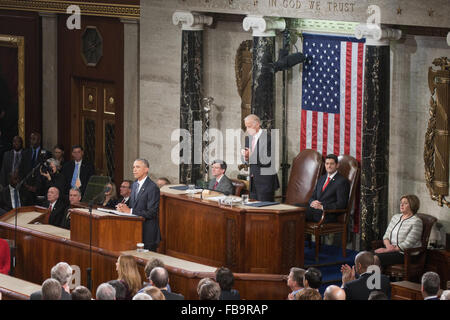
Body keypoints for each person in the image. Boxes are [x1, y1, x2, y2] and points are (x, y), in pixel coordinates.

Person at [116, 158, 161, 251]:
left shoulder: (152, 187)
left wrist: (130, 211)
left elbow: (152, 212)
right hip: (135, 230)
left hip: (148, 233)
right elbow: (133, 206)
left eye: (137, 167)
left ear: (146, 169)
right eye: (133, 167)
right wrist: (123, 208)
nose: (134, 170)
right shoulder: (135, 184)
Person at [374, 195, 423, 268]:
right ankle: (363, 278)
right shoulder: (395, 217)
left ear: (412, 205)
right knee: (365, 256)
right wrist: (388, 247)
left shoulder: (416, 221)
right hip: (391, 250)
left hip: (405, 254)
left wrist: (387, 250)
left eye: (405, 203)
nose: (401, 205)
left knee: (375, 258)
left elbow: (408, 244)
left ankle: (375, 279)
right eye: (401, 203)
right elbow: (386, 236)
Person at [241, 114, 279, 201]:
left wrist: (250, 156)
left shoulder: (268, 138)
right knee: (253, 209)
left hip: (265, 182)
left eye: (249, 126)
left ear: (257, 124)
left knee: (264, 211)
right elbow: (247, 159)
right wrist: (245, 158)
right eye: (246, 127)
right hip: (253, 180)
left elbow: (266, 160)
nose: (247, 129)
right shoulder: (248, 139)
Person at [305, 154, 350, 223]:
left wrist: (322, 207)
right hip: (315, 211)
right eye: (327, 163)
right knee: (295, 208)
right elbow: (313, 196)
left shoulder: (342, 181)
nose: (329, 166)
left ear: (337, 165)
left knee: (298, 213)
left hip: (327, 214)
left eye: (332, 164)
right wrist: (312, 202)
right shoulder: (322, 178)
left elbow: (341, 204)